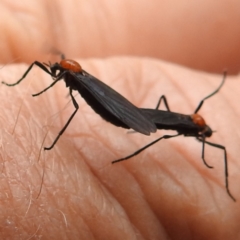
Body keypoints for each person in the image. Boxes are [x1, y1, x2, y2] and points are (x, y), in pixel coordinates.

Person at [0, 1, 239, 239]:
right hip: (128, 112)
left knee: (89, 109)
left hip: (118, 111)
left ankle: (134, 130)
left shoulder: (74, 74)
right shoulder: (71, 72)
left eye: (58, 70)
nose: (54, 70)